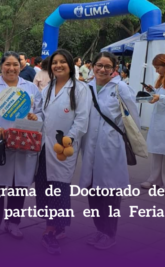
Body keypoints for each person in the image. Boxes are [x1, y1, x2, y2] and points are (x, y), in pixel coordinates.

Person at [0, 51, 42, 244]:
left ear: (21, 66)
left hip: (24, 145)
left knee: (19, 187)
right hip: (0, 145)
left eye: (15, 64)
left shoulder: (30, 88)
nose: (11, 68)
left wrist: (35, 118)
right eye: (8, 64)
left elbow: (40, 113)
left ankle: (13, 223)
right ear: (1, 66)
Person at [80, 52, 140, 250]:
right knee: (93, 191)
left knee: (110, 193)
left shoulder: (121, 88)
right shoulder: (86, 87)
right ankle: (99, 230)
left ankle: (109, 233)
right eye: (99, 65)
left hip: (111, 146)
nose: (102, 69)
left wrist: (125, 139)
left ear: (114, 68)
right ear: (93, 66)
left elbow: (133, 119)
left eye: (107, 66)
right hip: (90, 145)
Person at [35, 49, 91, 255]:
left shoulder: (80, 88)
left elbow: (82, 119)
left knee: (59, 187)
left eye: (62, 62)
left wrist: (70, 139)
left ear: (70, 65)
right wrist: (35, 119)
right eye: (54, 63)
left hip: (64, 147)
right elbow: (42, 112)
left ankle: (50, 231)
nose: (57, 65)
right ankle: (58, 227)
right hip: (44, 146)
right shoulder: (48, 87)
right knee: (44, 185)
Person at [141, 54, 165, 189]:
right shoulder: (161, 80)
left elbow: (162, 98)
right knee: (156, 152)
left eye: (158, 67)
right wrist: (152, 92)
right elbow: (160, 96)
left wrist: (159, 97)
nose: (156, 70)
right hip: (158, 122)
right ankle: (154, 180)